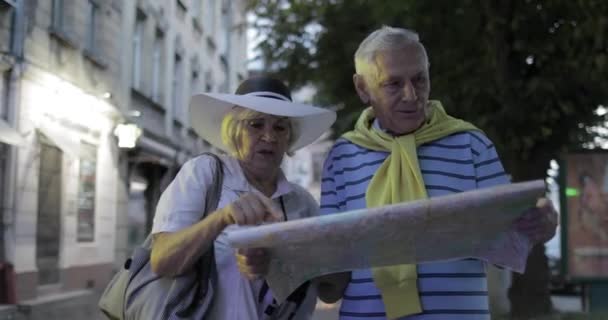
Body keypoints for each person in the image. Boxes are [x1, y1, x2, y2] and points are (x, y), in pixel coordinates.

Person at [315, 26, 558, 320]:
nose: (411, 95)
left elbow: (509, 241)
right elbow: (331, 268)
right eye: (393, 83)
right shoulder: (341, 157)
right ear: (362, 87)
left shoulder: (473, 146)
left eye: (420, 79)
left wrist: (540, 226)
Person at [149, 76, 336, 319]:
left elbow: (331, 291)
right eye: (256, 124)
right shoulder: (205, 173)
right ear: (234, 131)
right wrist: (221, 218)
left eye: (280, 127)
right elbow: (162, 261)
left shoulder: (302, 202)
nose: (269, 136)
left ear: (289, 137)